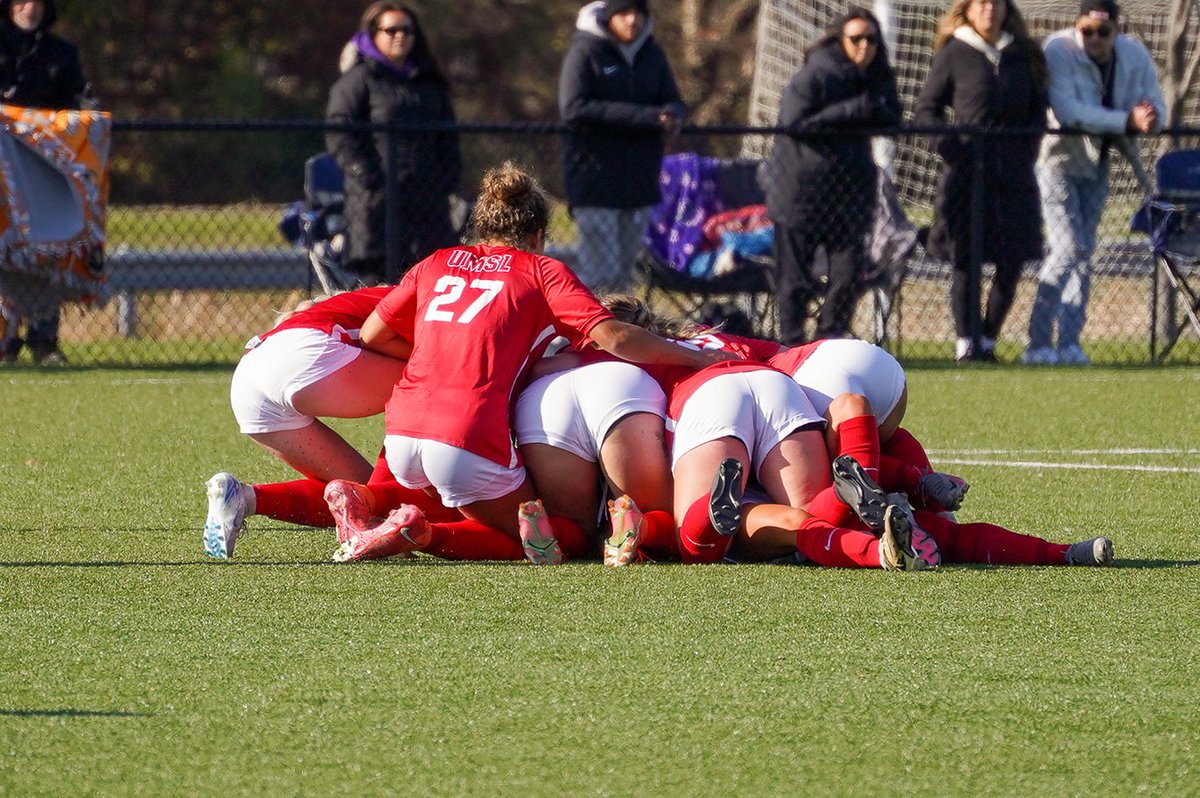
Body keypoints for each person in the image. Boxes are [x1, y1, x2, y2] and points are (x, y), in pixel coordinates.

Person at [331, 163, 735, 564]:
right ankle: (421, 535)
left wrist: (446, 356)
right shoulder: (541, 270)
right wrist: (695, 356)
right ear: (538, 235)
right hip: (468, 435)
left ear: (481, 226)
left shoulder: (436, 261)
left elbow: (372, 334)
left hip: (400, 434)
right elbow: (615, 337)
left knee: (463, 501)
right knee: (562, 534)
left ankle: (374, 503)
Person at [202, 287, 413, 559]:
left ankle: (242, 498)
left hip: (249, 374)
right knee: (428, 383)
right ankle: (390, 521)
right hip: (305, 352)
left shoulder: (361, 300)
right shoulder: (428, 293)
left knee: (361, 497)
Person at [1023, 0, 1165, 366]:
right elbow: (1069, 112)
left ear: (1116, 31)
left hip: (1097, 164)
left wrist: (1151, 119)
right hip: (1057, 161)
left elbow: (1155, 106)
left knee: (1085, 252)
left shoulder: (1133, 54)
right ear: (1077, 27)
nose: (1095, 39)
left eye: (1104, 32)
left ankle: (1069, 344)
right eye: (1087, 31)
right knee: (1066, 250)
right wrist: (1127, 121)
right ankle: (1037, 344)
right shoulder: (1059, 49)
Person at [914, 0, 1048, 363]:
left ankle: (988, 340)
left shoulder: (1023, 55)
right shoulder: (955, 52)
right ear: (969, 9)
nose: (990, 8)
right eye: (981, 2)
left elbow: (1038, 110)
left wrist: (1025, 150)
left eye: (996, 2)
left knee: (1012, 260)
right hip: (966, 176)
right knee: (966, 260)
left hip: (1015, 177)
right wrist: (951, 147)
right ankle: (966, 342)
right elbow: (926, 110)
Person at [765, 7, 901, 344]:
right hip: (802, 193)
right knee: (794, 278)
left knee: (848, 274)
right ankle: (791, 344)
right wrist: (853, 111)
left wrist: (866, 111)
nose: (865, 46)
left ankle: (828, 341)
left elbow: (892, 120)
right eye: (856, 38)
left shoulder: (877, 78)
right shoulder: (814, 75)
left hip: (851, 193)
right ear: (840, 39)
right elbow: (794, 124)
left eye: (872, 39)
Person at [325, 1, 461, 286]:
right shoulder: (359, 81)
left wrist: (446, 180)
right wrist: (368, 176)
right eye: (391, 30)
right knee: (377, 294)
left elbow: (448, 141)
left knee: (430, 288)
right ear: (374, 33)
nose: (400, 36)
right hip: (378, 210)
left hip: (427, 210)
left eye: (407, 30)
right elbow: (341, 135)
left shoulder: (429, 83)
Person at [558, 0, 685, 294]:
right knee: (600, 277)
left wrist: (672, 113)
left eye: (638, 13)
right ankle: (592, 324)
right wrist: (648, 117)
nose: (632, 20)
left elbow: (673, 100)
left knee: (625, 277)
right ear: (609, 16)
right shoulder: (586, 51)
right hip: (595, 181)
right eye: (624, 13)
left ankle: (621, 324)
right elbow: (573, 107)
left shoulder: (652, 54)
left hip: (639, 182)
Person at [0, 0, 92, 365]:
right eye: (22, 0)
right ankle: (5, 340)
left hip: (46, 171)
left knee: (49, 251)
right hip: (2, 173)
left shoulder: (61, 53)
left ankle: (44, 340)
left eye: (38, 1)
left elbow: (79, 106)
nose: (31, 7)